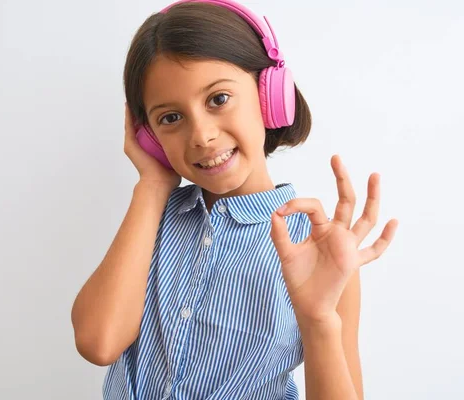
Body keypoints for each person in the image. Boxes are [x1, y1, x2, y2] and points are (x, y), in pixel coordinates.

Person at [71, 1, 399, 399]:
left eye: (218, 99)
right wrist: (153, 185)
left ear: (269, 95)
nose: (202, 136)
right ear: (149, 137)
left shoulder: (324, 248)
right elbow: (98, 342)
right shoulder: (152, 220)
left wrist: (318, 321)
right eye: (170, 118)